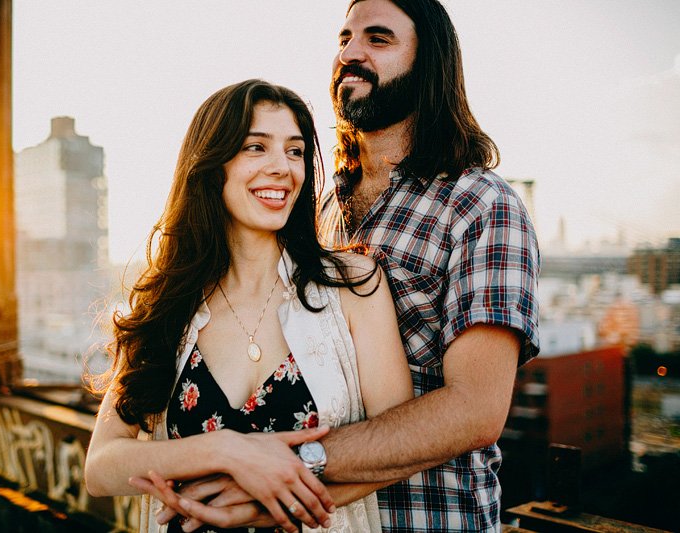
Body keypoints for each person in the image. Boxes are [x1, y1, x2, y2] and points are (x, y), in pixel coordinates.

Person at [135, 1, 540, 531]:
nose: (350, 53)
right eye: (344, 38)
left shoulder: (480, 205)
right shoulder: (317, 210)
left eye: (378, 39)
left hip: (429, 519)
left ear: (430, 62)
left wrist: (277, 468)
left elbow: (476, 409)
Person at [84, 79, 413, 533]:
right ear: (211, 164)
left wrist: (265, 503)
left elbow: (401, 446)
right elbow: (101, 466)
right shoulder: (169, 303)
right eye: (256, 147)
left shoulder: (353, 285)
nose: (282, 167)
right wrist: (225, 451)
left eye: (295, 151)